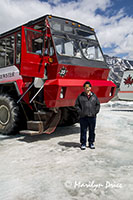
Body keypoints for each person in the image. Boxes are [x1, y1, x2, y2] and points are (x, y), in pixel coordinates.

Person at [75, 81, 100, 150]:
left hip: (92, 117)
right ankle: (83, 143)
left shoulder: (94, 96)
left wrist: (95, 112)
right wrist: (80, 112)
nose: (87, 88)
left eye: (88, 87)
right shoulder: (80, 97)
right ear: (84, 88)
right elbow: (76, 105)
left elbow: (98, 105)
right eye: (85, 87)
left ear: (90, 88)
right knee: (83, 130)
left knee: (92, 130)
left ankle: (91, 143)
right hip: (83, 117)